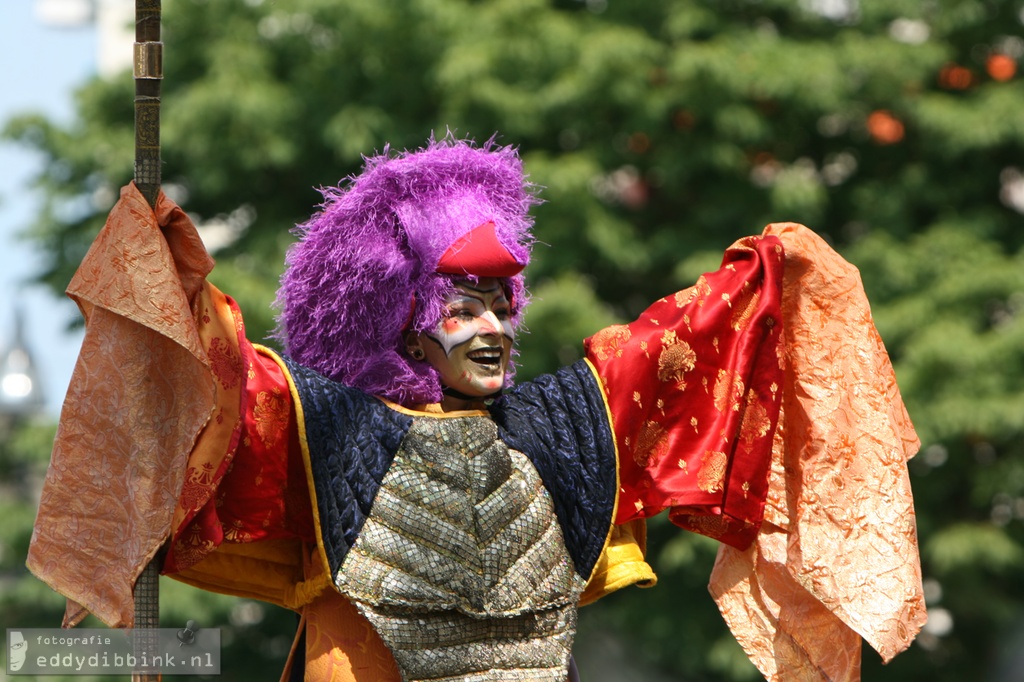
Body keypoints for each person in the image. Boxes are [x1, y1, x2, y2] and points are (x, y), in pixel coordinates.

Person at [28, 135, 925, 681]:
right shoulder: (325, 428)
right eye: (465, 308)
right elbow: (219, 378)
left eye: (503, 305)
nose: (494, 328)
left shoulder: (565, 427)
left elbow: (673, 346)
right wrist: (165, 285)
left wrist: (768, 274)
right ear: (405, 324)